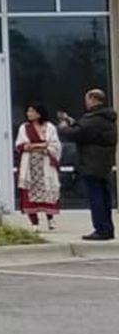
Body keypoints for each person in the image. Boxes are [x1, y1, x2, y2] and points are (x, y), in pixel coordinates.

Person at [59, 89, 117, 241]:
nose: (85, 102)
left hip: (92, 164)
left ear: (93, 99)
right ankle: (107, 228)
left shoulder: (94, 119)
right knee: (105, 197)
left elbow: (75, 133)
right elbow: (85, 130)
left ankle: (101, 229)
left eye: (87, 99)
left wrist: (64, 125)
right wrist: (74, 123)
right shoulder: (107, 119)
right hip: (104, 164)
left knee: (96, 196)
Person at [15, 104, 61, 230]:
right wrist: (38, 146)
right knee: (29, 192)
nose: (29, 114)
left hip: (46, 163)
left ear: (39, 113)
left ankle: (50, 219)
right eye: (28, 111)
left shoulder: (50, 127)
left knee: (48, 190)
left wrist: (41, 147)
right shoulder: (24, 128)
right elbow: (20, 145)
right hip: (29, 164)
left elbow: (54, 145)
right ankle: (34, 223)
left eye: (32, 111)